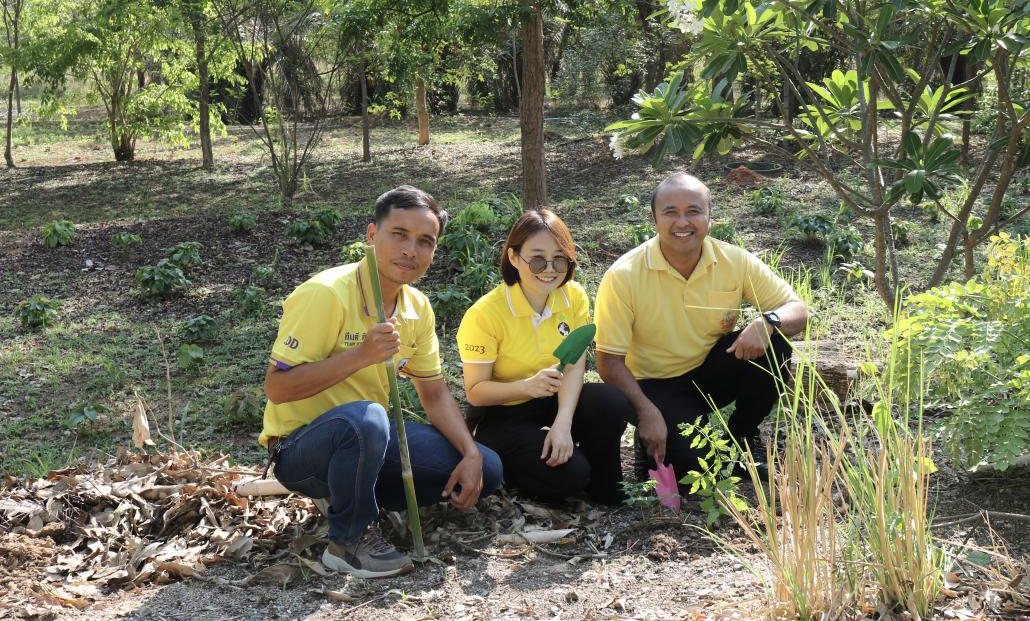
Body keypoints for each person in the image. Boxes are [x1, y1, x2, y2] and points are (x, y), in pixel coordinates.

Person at [259, 185, 503, 579]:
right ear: (372, 236)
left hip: (369, 439)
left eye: (425, 241)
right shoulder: (326, 294)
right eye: (399, 235)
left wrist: (470, 452)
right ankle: (347, 541)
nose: (411, 250)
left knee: (488, 468)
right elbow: (277, 388)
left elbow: (434, 391)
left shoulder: (416, 307)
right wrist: (360, 357)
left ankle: (358, 497)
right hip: (301, 448)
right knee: (365, 420)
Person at [594, 172, 809, 487]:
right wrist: (646, 412)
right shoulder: (624, 275)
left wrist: (768, 322)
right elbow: (608, 361)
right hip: (655, 386)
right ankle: (655, 441)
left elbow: (798, 310)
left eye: (694, 211)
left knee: (775, 345)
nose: (683, 222)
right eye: (671, 212)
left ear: (709, 217)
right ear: (654, 218)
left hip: (709, 373)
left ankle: (742, 437)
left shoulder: (733, 261)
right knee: (692, 470)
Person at [458, 209, 629, 505]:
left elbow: (574, 361)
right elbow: (476, 393)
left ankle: (604, 486)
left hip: (553, 401)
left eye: (559, 258)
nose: (549, 269)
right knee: (572, 476)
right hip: (505, 414)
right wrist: (526, 386)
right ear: (514, 258)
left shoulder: (572, 295)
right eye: (537, 258)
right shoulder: (485, 315)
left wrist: (563, 423)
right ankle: (514, 468)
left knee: (609, 402)